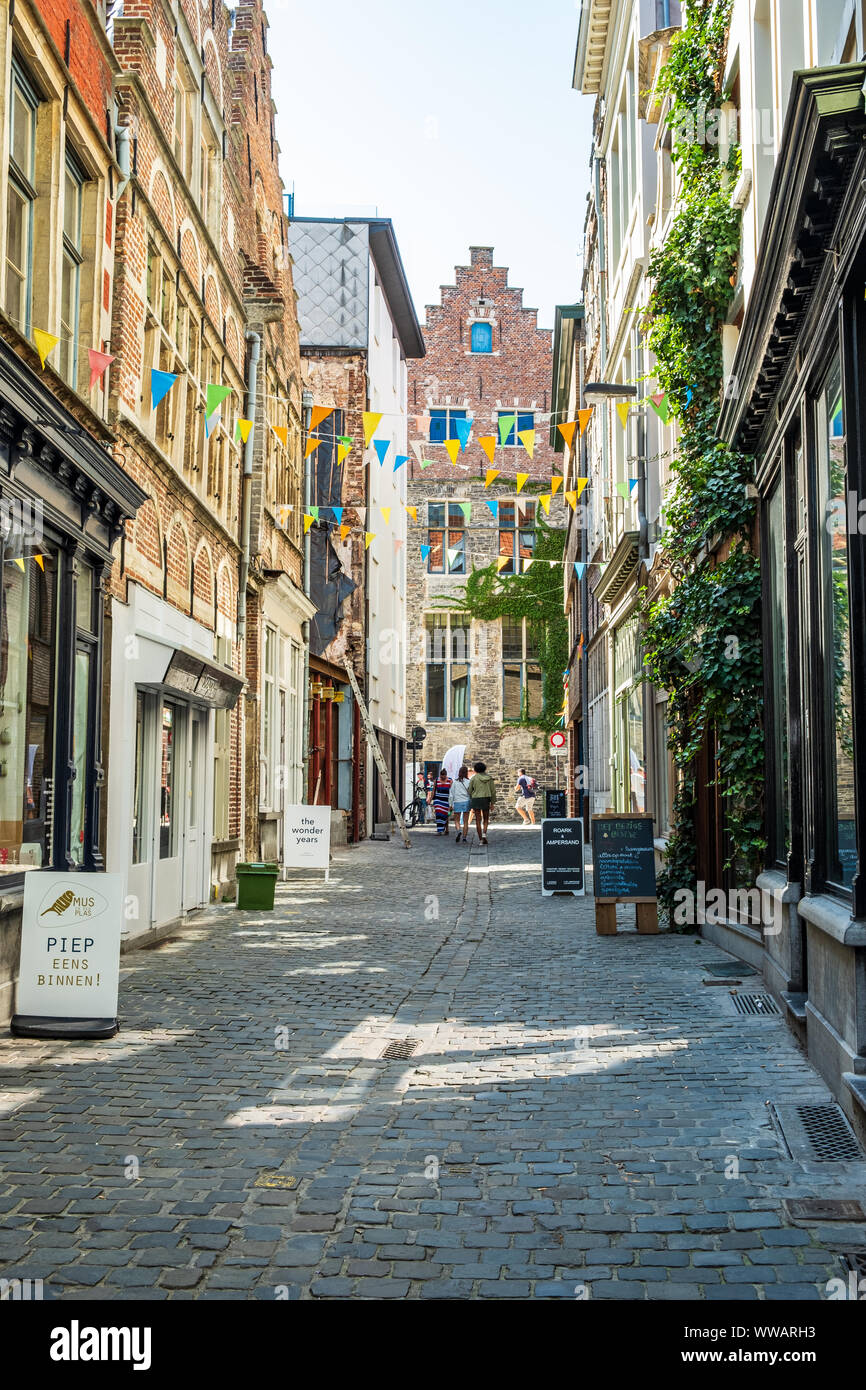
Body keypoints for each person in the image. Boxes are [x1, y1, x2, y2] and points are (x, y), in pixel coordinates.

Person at [468, 761, 496, 845]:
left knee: (478, 820)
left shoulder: (473, 778)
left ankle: (480, 839)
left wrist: (471, 798)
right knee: (486, 819)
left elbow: (470, 791)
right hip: (486, 799)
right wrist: (492, 803)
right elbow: (493, 791)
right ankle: (484, 834)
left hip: (476, 799)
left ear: (476, 769)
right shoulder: (489, 778)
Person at [449, 764, 473, 843]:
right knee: (466, 821)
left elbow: (451, 794)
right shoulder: (469, 782)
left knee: (457, 820)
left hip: (457, 802)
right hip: (466, 802)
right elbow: (471, 793)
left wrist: (450, 805)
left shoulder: (455, 782)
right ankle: (464, 837)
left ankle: (459, 831)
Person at [432, 767, 452, 835]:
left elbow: (452, 792)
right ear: (440, 775)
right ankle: (439, 830)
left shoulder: (450, 780)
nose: (442, 777)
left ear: (446, 775)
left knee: (445, 815)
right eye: (441, 776)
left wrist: (452, 803)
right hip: (438, 799)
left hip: (446, 801)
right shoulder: (436, 780)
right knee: (438, 812)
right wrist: (430, 799)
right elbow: (434, 790)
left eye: (444, 776)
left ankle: (446, 828)